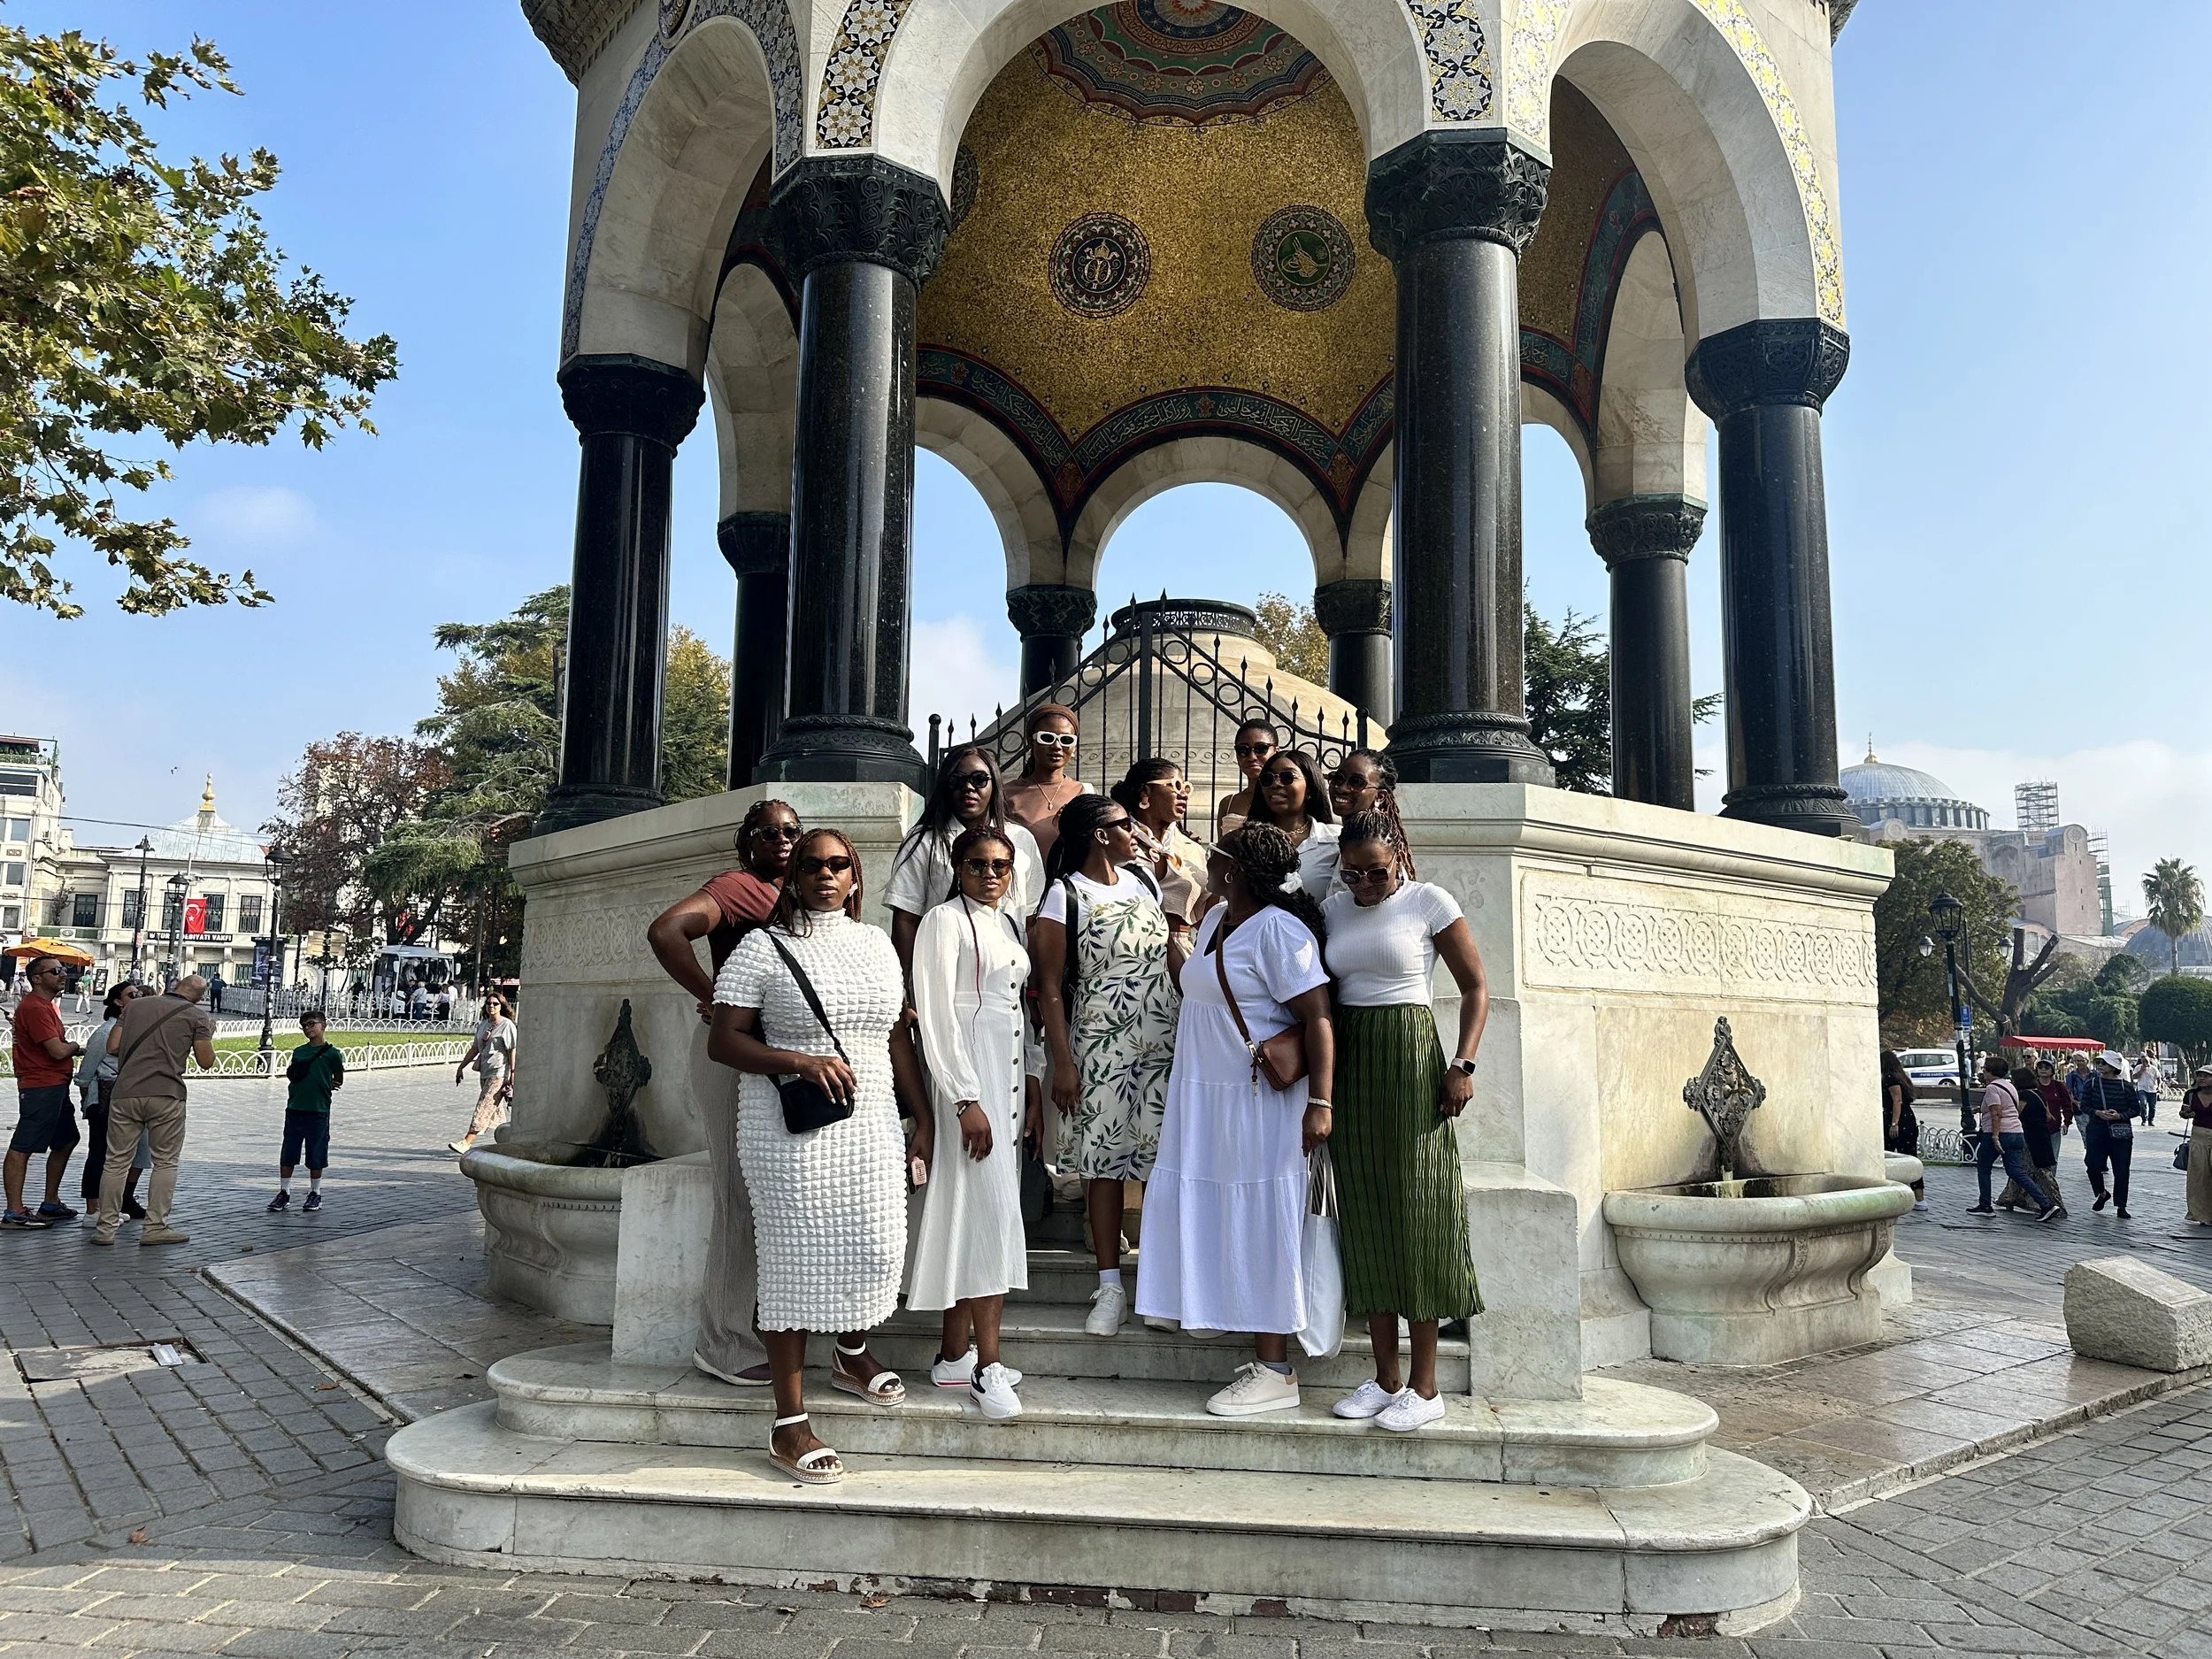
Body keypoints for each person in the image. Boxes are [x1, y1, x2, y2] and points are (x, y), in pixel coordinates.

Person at [709, 827, 925, 1485]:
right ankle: (788, 1421)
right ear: (795, 877)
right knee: (795, 1263)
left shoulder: (876, 945)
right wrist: (798, 1059)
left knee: (878, 1244)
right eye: (812, 865)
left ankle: (851, 1353)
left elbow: (891, 1038)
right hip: (787, 1127)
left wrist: (924, 1120)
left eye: (839, 865)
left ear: (855, 876)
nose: (826, 875)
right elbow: (724, 1041)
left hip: (873, 1122)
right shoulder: (761, 948)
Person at [1136, 824, 1335, 1417]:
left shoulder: (1279, 929)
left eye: (1215, 854)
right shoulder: (1218, 921)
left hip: (1257, 1104)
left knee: (1259, 1220)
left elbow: (1319, 1018)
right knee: (1217, 1208)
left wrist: (1321, 1102)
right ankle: (1222, 1315)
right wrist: (1179, 927)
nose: (1207, 858)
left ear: (1235, 870)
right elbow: (1198, 990)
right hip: (1205, 1097)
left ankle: (1276, 1369)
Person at [1321, 812, 1486, 1433]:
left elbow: (1476, 987)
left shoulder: (1427, 901)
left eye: (1377, 872)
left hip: (1412, 1055)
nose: (1364, 883)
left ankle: (1426, 1383)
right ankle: (1386, 1375)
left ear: (1400, 860)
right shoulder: (1335, 909)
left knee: (1417, 1212)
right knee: (1364, 1212)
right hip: (1353, 1059)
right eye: (1353, 872)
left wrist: (1462, 1063)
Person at [645, 798, 800, 1389]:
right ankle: (724, 1341)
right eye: (770, 831)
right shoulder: (738, 886)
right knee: (737, 1193)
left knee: (766, 1192)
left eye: (792, 830)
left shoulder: (794, 896)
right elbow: (666, 930)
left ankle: (754, 1324)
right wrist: (712, 992)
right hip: (730, 1055)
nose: (783, 839)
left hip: (770, 1057)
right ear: (749, 842)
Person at [1033, 793, 1182, 1337]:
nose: (1136, 830)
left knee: (1161, 1158)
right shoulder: (1063, 895)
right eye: (1125, 824)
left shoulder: (1143, 880)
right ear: (1100, 834)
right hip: (1100, 1040)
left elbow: (1169, 951)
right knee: (1104, 1163)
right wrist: (1063, 1063)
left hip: (1162, 1035)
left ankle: (1162, 1283)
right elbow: (1049, 988)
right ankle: (1110, 1286)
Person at [908, 826, 1036, 1420]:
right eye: (979, 864)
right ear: (958, 866)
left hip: (1005, 1091)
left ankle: (955, 1354)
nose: (991, 874)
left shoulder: (1008, 922)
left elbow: (1017, 1013)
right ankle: (988, 1368)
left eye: (1001, 865)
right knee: (982, 1218)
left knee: (979, 1215)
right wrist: (963, 1099)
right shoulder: (943, 921)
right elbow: (936, 1016)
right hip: (968, 1089)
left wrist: (1027, 1088)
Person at [887, 747, 1043, 979]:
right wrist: (901, 990)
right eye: (957, 780)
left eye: (979, 779)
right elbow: (906, 919)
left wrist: (1034, 987)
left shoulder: (1022, 840)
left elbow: (1031, 919)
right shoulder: (924, 840)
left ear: (995, 784)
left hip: (1008, 973)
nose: (968, 787)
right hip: (943, 971)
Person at [93, 974, 218, 1246]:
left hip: (125, 1092)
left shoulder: (137, 1006)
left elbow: (112, 1046)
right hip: (167, 1094)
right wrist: (208, 1032)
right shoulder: (196, 1016)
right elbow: (206, 1061)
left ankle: (105, 1229)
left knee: (115, 1161)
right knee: (165, 1162)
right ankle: (155, 1228)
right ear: (199, 996)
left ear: (175, 987)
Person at [4, 956, 85, 1228]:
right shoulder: (36, 1008)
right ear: (37, 978)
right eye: (55, 971)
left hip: (54, 1084)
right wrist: (74, 1045)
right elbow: (58, 1050)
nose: (63, 974)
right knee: (23, 1145)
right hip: (41, 1085)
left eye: (64, 970)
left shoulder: (44, 1006)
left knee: (66, 1140)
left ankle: (50, 1202)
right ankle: (14, 1211)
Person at [1112, 759, 1209, 941]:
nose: (1184, 794)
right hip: (1123, 948)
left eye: (1186, 788)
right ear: (1145, 792)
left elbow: (1209, 908)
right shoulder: (1114, 840)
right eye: (1176, 785)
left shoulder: (1193, 850)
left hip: (1182, 953)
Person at [75, 983, 147, 1219]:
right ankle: (92, 1208)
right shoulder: (105, 1033)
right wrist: (88, 1103)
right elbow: (85, 1073)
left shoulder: (133, 1030)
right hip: (103, 1101)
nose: (137, 997)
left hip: (125, 1099)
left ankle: (110, 1206)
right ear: (118, 1002)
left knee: (118, 1155)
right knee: (99, 1152)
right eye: (131, 995)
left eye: (139, 994)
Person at [1965, 1053, 2059, 1222]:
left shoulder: (1993, 1088)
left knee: (1984, 1167)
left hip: (1999, 1133)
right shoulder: (2009, 1087)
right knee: (2016, 1171)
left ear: (1990, 1072)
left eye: (1985, 1070)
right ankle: (2046, 1204)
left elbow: (1997, 1113)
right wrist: (1981, 1109)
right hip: (2016, 1132)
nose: (1983, 1073)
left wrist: (1995, 1136)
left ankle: (1985, 1205)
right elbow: (2008, 1108)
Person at [268, 1012, 344, 1212]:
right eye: (304, 1026)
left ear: (324, 1025)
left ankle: (315, 1193)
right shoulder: (299, 1052)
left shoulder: (332, 1054)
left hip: (318, 1109)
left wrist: (326, 1085)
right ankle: (284, 1192)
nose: (308, 1028)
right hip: (295, 1107)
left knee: (316, 1152)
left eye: (312, 1024)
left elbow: (338, 1078)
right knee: (288, 1152)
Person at [1240, 749, 1340, 898]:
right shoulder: (1246, 842)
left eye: (1287, 777)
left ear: (1310, 788)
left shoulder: (1336, 840)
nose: (1276, 784)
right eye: (1268, 779)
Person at [1002, 703, 1089, 864]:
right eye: (1047, 738)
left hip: (1070, 886)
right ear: (1031, 742)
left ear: (1074, 747)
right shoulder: (1007, 794)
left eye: (1066, 739)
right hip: (1026, 886)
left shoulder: (1085, 792)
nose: (1057, 746)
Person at [1327, 750, 1417, 880]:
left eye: (1357, 782)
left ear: (1380, 796)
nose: (1342, 788)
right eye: (1338, 778)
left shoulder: (1376, 847)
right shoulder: (1347, 840)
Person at [449, 995, 518, 1156]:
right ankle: (508, 1142)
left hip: (499, 1073)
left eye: (495, 1004)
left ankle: (467, 1142)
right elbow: (475, 1049)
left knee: (484, 1107)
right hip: (485, 1072)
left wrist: (513, 1073)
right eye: (488, 1003)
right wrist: (461, 1067)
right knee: (494, 1110)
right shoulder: (483, 1026)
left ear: (502, 1006)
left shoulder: (507, 1026)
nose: (491, 1006)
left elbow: (512, 1050)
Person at [2078, 1049, 2142, 1218]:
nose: (2100, 1066)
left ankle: (2121, 1206)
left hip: (2121, 1133)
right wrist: (2097, 1113)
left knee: (2121, 1170)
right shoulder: (2091, 1084)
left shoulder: (2126, 1086)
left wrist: (2120, 1115)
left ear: (2114, 1066)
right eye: (2098, 1063)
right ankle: (2101, 1192)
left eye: (2104, 1063)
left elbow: (2136, 1109)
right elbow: (2084, 1106)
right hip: (2097, 1130)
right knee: (2092, 1165)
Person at [1998, 1064, 2062, 1217]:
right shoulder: (2038, 1093)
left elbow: (2016, 1113)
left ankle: (2052, 1204)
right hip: (2041, 1135)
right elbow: (2048, 1115)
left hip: (2030, 1137)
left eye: (2013, 1079)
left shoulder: (2024, 1095)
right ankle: (2008, 1198)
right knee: (2024, 1168)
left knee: (2032, 1170)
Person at [1213, 719, 1279, 839]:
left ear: (1275, 751)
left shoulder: (1285, 799)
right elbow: (1220, 854)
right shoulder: (1228, 803)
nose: (1252, 757)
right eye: (1243, 750)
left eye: (1261, 748)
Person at [1878, 1049, 1925, 1210]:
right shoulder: (1902, 1077)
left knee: (1888, 1157)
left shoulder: (1890, 1078)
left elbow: (1896, 1100)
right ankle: (1919, 1197)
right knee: (1910, 1157)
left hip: (1897, 1119)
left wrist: (1894, 1123)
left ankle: (1891, 1193)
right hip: (1908, 1118)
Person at [2182, 1064, 2212, 1226]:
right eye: (2199, 1075)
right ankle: (2202, 1215)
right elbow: (2183, 1112)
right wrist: (2186, 1114)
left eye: (2206, 1076)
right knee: (2199, 1177)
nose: (2202, 1078)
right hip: (2199, 1136)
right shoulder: (2191, 1095)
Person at [2134, 1047, 2163, 1127]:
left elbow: (2159, 1079)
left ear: (2149, 1061)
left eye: (2146, 1062)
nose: (2145, 1063)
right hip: (2142, 1088)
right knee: (2143, 1103)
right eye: (2143, 1062)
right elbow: (2134, 1077)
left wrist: (2159, 1087)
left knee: (2152, 1106)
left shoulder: (2154, 1069)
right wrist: (2141, 1070)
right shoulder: (2138, 1068)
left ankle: (2151, 1120)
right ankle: (2144, 1119)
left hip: (2152, 1089)